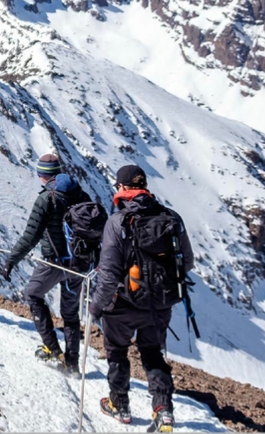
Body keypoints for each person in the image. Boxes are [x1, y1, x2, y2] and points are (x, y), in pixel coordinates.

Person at [89, 164, 194, 433]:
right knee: (152, 353)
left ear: (123, 188)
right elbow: (188, 262)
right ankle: (163, 410)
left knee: (117, 353)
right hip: (160, 304)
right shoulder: (171, 218)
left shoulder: (118, 222)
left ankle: (119, 405)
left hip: (123, 304)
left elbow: (110, 273)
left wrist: (97, 307)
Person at [0, 153, 92, 376]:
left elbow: (31, 236)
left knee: (32, 294)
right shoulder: (80, 194)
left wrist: (11, 260)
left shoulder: (46, 199)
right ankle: (72, 363)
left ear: (42, 175)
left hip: (53, 262)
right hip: (78, 264)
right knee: (70, 314)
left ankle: (52, 348)